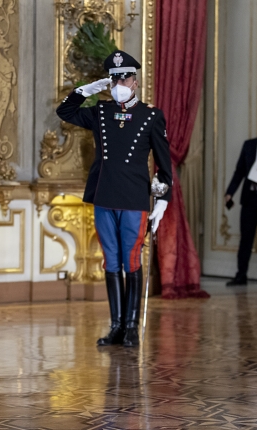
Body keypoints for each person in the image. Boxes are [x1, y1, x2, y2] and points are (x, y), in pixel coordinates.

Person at [56, 50, 172, 348]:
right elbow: (65, 112)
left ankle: (131, 326)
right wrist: (85, 91)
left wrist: (163, 200)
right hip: (104, 195)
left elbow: (164, 163)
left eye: (125, 79)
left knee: (131, 261)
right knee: (110, 261)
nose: (120, 84)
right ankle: (116, 326)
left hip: (133, 197)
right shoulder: (101, 111)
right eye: (115, 79)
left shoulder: (151, 116)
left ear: (135, 81)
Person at [224, 114, 257, 287]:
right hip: (250, 199)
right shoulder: (249, 145)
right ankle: (241, 275)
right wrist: (230, 192)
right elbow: (239, 171)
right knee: (246, 239)